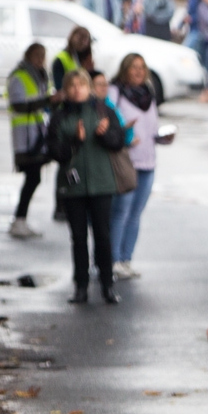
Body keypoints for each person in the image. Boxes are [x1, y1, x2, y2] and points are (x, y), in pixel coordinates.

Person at [48, 70, 124, 305]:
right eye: (72, 86)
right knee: (78, 238)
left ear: (90, 88)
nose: (76, 89)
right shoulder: (60, 116)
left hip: (102, 183)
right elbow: (54, 151)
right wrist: (75, 142)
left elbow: (119, 140)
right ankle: (80, 286)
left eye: (81, 85)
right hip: (74, 186)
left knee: (103, 235)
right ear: (66, 90)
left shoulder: (103, 110)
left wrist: (105, 135)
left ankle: (107, 285)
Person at [108, 55, 161, 281]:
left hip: (148, 161)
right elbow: (109, 123)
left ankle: (126, 259)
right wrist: (123, 135)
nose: (139, 72)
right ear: (125, 70)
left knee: (136, 214)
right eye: (134, 67)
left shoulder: (148, 95)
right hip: (125, 162)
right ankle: (111, 260)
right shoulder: (115, 92)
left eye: (142, 68)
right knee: (121, 212)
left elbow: (151, 128)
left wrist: (162, 136)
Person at [6, 44, 52, 239]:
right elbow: (18, 105)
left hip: (36, 134)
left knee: (34, 178)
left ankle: (20, 219)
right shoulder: (20, 76)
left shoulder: (40, 75)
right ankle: (19, 219)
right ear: (28, 55)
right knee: (33, 178)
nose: (40, 59)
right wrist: (47, 101)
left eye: (43, 55)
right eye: (36, 55)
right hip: (25, 137)